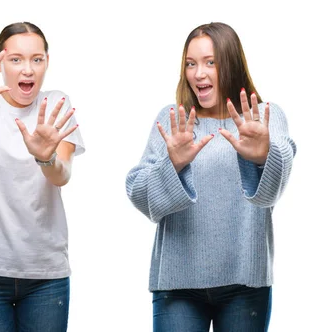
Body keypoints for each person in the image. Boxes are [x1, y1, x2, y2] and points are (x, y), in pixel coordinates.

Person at [125, 22, 296, 331]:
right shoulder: (173, 119)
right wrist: (172, 164)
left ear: (230, 63)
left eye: (209, 62)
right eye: (191, 64)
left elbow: (275, 188)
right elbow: (138, 192)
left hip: (245, 284)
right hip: (178, 286)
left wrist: (261, 155)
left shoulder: (264, 116)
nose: (198, 74)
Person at [0, 21, 85, 332]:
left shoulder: (56, 103)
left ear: (47, 61)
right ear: (0, 62)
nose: (28, 70)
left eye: (37, 59)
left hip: (45, 273)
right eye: (16, 59)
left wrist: (45, 157)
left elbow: (61, 176)